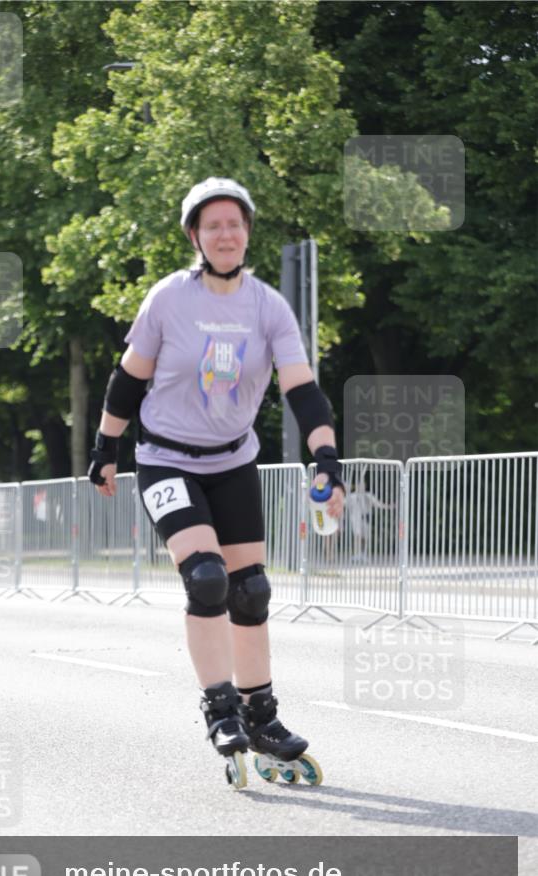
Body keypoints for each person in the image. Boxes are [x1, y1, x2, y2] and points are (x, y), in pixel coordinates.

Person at [88, 177, 345, 784]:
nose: (225, 234)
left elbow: (303, 392)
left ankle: (262, 717)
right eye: (213, 226)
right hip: (166, 458)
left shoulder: (268, 307)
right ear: (195, 237)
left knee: (250, 591)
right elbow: (128, 380)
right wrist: (104, 448)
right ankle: (221, 709)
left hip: (233, 461)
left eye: (235, 224)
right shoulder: (169, 299)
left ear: (247, 232)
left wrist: (328, 461)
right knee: (207, 578)